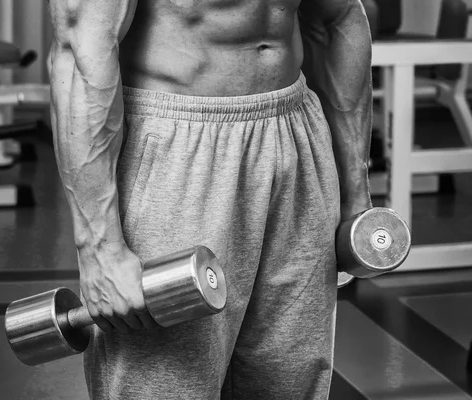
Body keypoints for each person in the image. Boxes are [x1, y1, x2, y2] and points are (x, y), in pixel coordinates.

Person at [46, 0, 372, 398]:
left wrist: (356, 196)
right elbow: (82, 50)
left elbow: (337, 18)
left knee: (290, 380)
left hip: (296, 135)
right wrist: (98, 249)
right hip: (176, 147)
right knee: (163, 384)